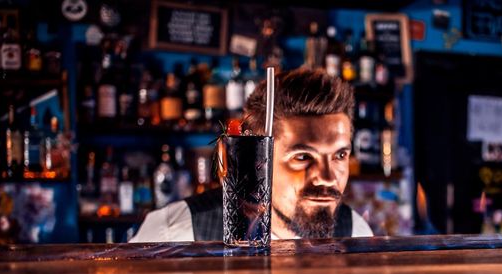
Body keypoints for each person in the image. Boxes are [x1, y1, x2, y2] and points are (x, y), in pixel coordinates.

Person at [131, 68, 373, 242]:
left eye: (340, 155)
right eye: (302, 157)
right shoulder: (174, 233)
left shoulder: (357, 232)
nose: (327, 177)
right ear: (258, 161)